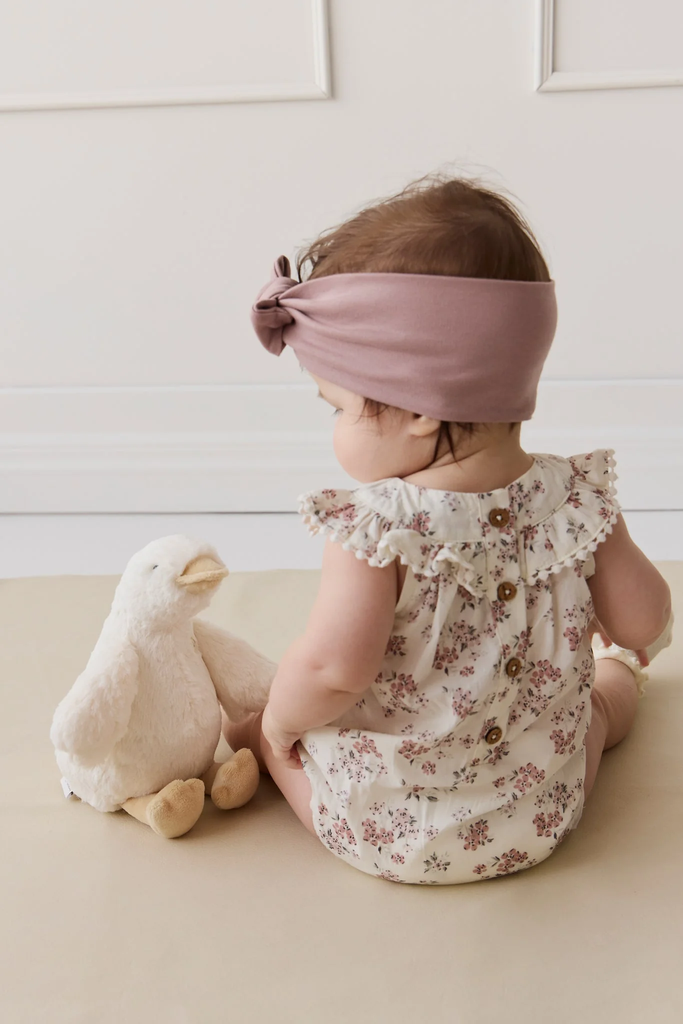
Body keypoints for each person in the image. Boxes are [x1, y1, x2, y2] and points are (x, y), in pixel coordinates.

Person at [225, 173, 674, 884]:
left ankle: (252, 744)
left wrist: (282, 722)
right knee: (596, 708)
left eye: (338, 407)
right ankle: (620, 689)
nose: (335, 425)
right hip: (540, 813)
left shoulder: (379, 531)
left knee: (286, 729)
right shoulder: (574, 501)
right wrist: (619, 640)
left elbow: (332, 670)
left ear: (419, 411)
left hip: (392, 834)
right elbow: (644, 618)